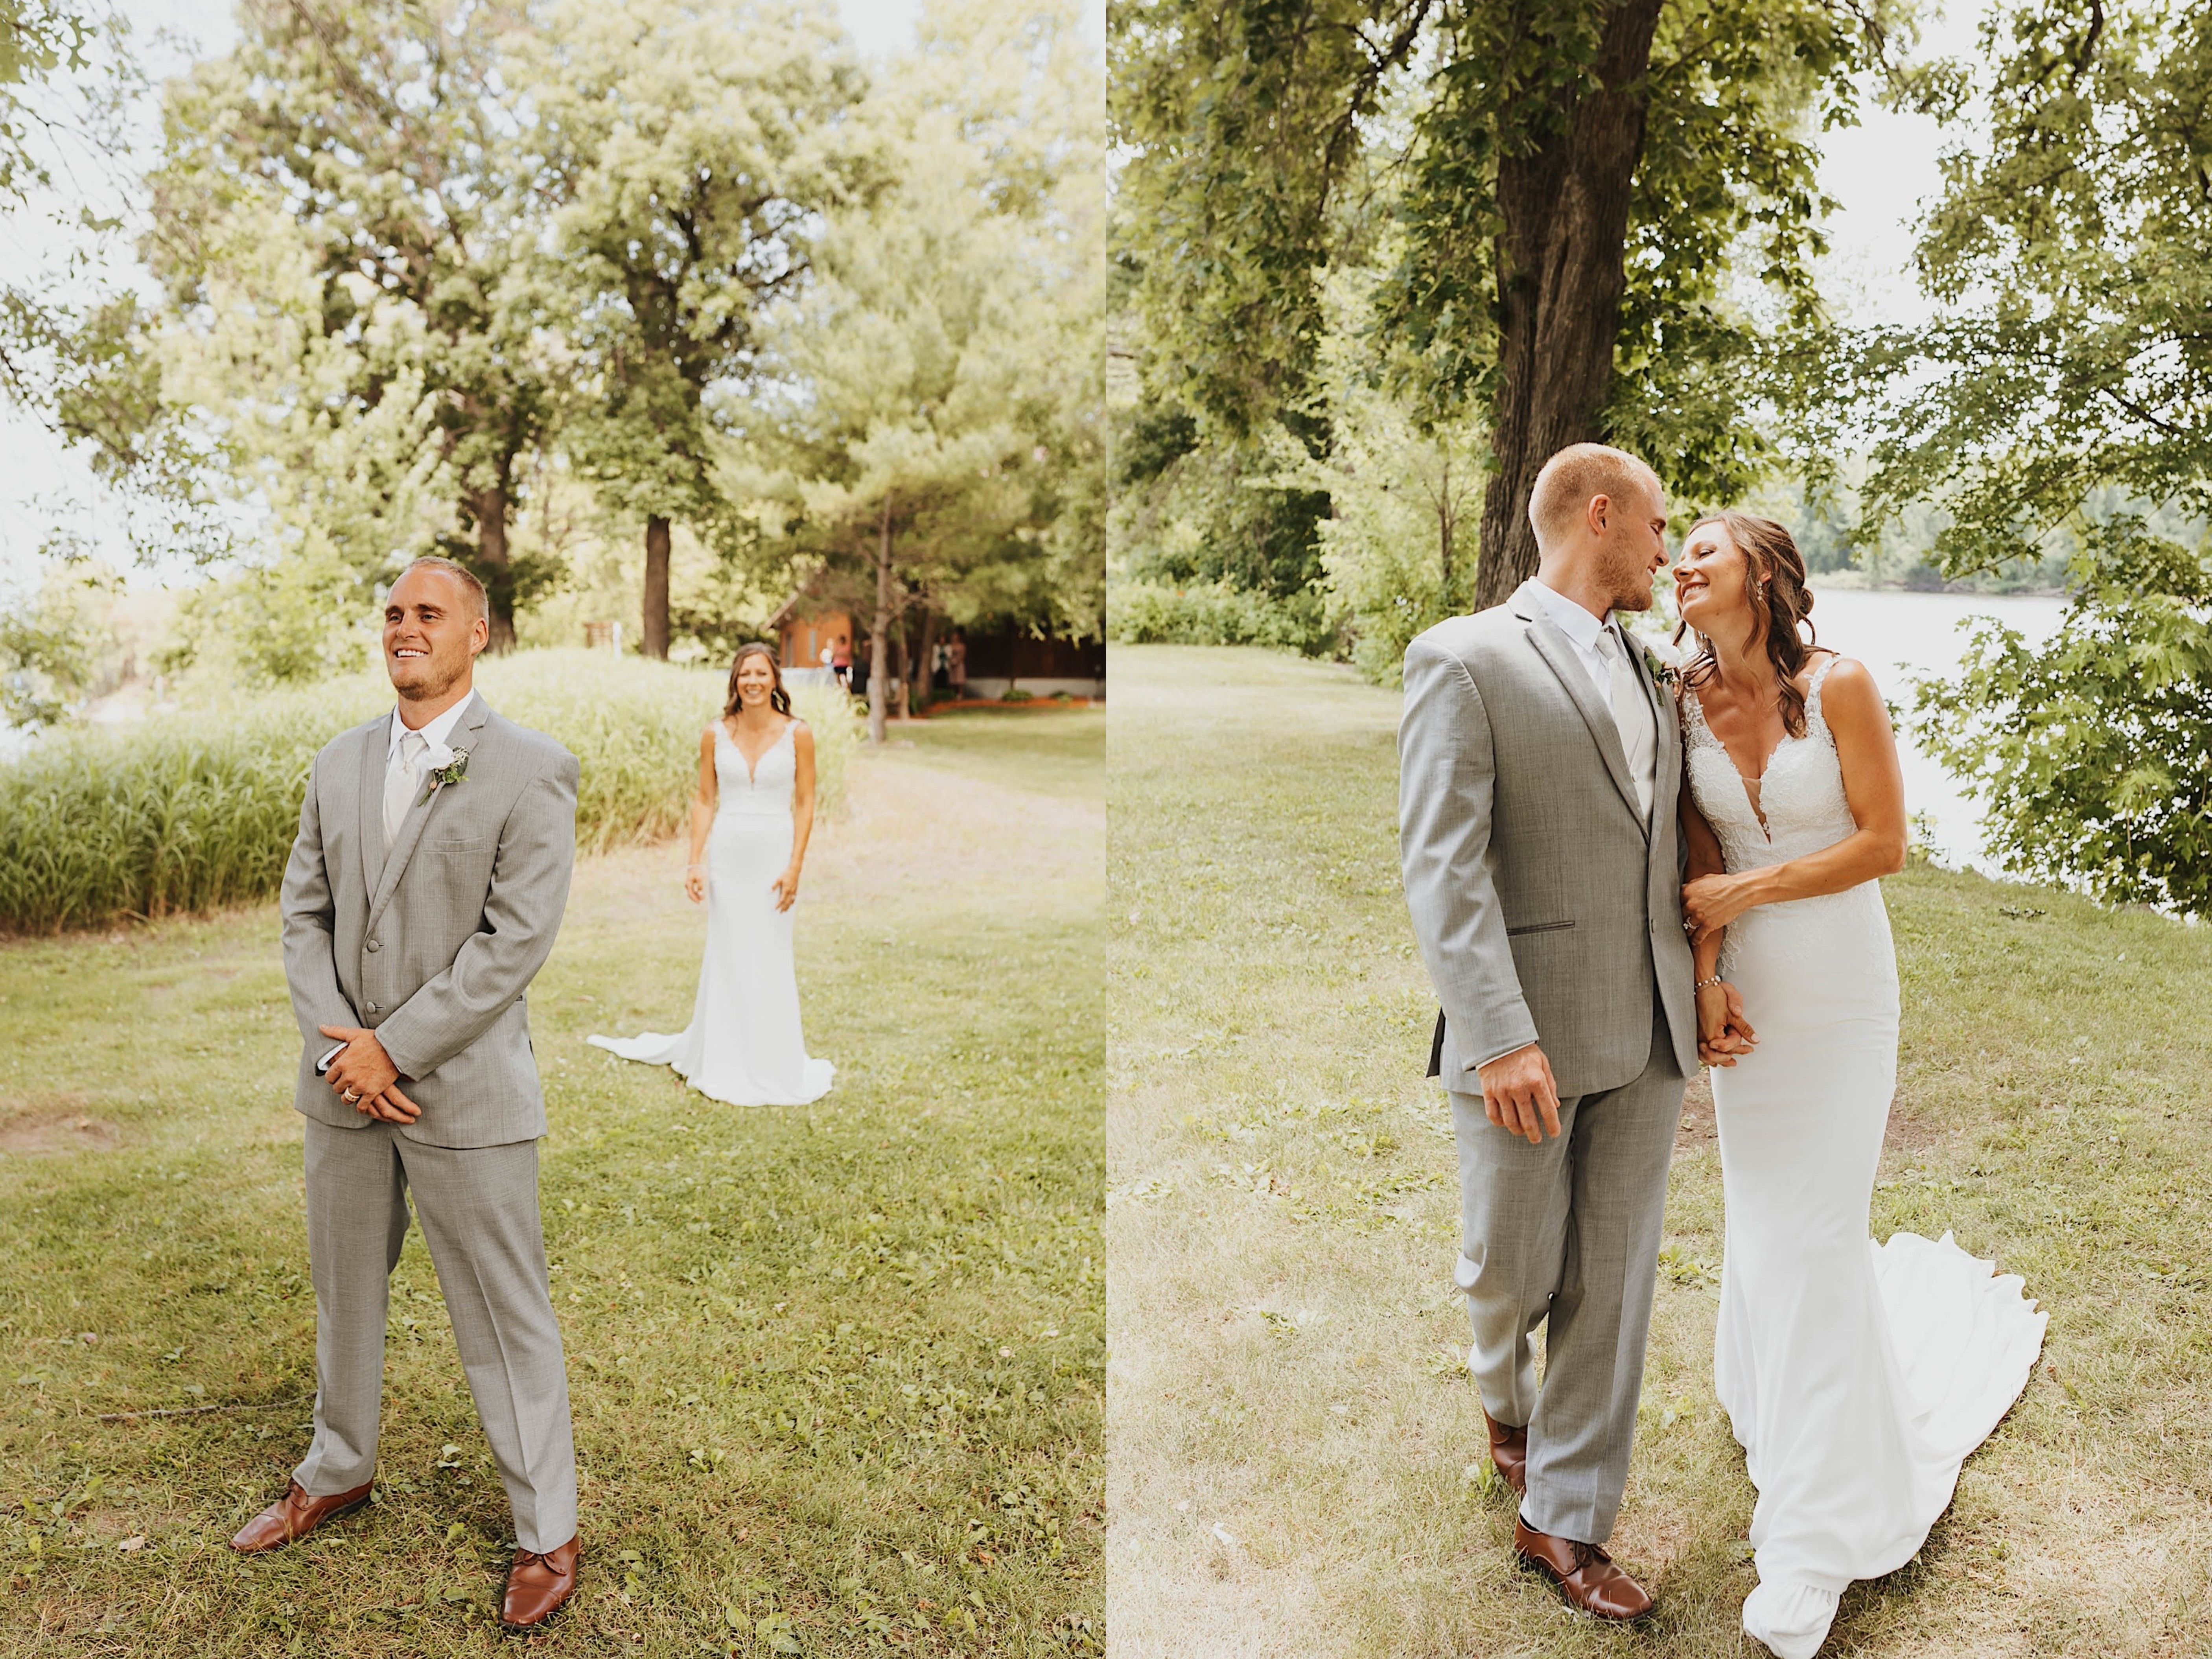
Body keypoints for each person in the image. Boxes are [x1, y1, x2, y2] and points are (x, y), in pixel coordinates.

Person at [1672, 512, 2046, 1657]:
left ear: (1767, 576)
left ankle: (1815, 1538)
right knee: (1764, 1217)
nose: (1682, 564)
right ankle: (1779, 1402)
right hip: (1750, 991)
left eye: (1705, 550)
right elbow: (1696, 855)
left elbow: (1885, 842)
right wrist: (1706, 978)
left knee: (1821, 1230)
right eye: (1675, 552)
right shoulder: (1680, 694)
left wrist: (1748, 896)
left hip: (1839, 987)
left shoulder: (1840, 683)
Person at [1399, 443, 1746, 1620]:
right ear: (1601, 514)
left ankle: (1565, 1516)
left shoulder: (1659, 670)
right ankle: (1504, 1395)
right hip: (1527, 1034)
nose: (1665, 550)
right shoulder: (1465, 654)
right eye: (1654, 526)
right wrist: (1498, 1033)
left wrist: (1704, 982)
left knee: (1612, 1283)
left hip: (1648, 1030)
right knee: (1508, 1268)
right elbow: (1443, 865)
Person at [246, 556, 582, 1632]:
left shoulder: (531, 768)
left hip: (465, 1093)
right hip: (342, 1088)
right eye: (394, 613)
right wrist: (341, 1049)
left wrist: (397, 1047)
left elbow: (513, 942)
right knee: (345, 1288)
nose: (406, 628)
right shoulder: (338, 760)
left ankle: (547, 1529)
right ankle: (338, 1467)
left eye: (429, 613)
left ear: (478, 632)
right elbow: (305, 915)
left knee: (501, 1309)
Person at [588, 642, 833, 1105]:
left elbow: (806, 802)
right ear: (735, 681)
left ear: (775, 680)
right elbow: (704, 799)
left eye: (762, 674)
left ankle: (774, 1061)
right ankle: (724, 1057)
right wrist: (695, 861)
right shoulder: (715, 734)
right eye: (746, 674)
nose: (754, 682)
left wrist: (796, 865)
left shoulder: (799, 733)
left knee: (771, 952)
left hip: (775, 855)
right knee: (729, 952)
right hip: (729, 856)